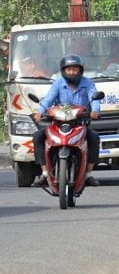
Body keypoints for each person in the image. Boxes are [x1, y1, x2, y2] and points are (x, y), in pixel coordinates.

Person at [32, 54, 101, 186]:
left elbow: (94, 98)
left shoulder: (88, 83)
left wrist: (94, 111)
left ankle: (88, 174)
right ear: (63, 71)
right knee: (38, 136)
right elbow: (48, 100)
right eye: (69, 70)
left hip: (79, 124)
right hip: (58, 124)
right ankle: (45, 172)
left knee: (94, 138)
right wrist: (40, 112)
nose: (72, 73)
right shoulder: (57, 84)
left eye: (75, 70)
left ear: (80, 71)